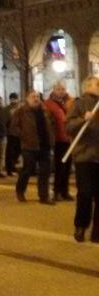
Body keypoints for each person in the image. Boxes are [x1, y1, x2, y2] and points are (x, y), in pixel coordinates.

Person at [66, 76, 99, 242]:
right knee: (85, 193)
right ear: (87, 86)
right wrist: (82, 120)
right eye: (96, 83)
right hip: (85, 156)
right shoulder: (78, 104)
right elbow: (69, 127)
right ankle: (81, 226)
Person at [10, 90, 56, 205]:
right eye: (33, 96)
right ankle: (20, 191)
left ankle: (44, 196)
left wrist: (51, 138)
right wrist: (24, 136)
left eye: (37, 96)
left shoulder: (45, 110)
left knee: (45, 172)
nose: (36, 99)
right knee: (27, 170)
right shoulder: (21, 111)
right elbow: (13, 127)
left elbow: (51, 124)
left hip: (44, 145)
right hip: (29, 146)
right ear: (27, 98)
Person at [44, 82, 74, 201]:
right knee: (59, 167)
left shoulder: (69, 102)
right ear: (54, 90)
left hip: (69, 139)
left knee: (67, 167)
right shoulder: (48, 104)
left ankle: (65, 191)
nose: (61, 91)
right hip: (57, 140)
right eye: (58, 89)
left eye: (63, 89)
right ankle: (56, 191)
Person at [5, 93, 22, 176]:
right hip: (11, 134)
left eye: (15, 99)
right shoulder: (7, 109)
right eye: (12, 99)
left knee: (18, 151)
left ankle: (13, 166)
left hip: (20, 134)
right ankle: (10, 168)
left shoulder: (21, 108)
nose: (13, 100)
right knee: (10, 152)